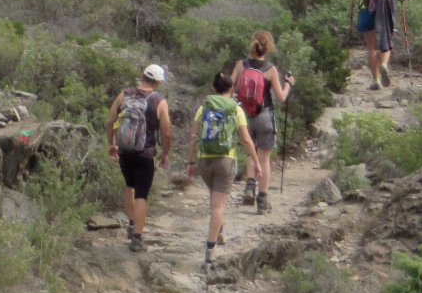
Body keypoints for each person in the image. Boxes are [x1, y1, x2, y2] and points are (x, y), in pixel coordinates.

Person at [185, 71, 260, 264]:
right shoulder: (236, 109)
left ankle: (219, 231)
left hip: (204, 159)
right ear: (231, 89)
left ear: (214, 88)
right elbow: (246, 139)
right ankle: (211, 248)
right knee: (218, 205)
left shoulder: (204, 107)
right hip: (225, 160)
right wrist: (256, 162)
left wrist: (189, 162)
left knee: (214, 198)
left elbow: (193, 137)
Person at [107, 64, 172, 253]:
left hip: (125, 150)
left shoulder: (124, 94)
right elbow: (166, 132)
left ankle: (131, 223)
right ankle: (137, 238)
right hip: (145, 153)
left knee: (129, 185)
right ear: (158, 82)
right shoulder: (159, 101)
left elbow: (110, 121)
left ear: (142, 76)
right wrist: (165, 153)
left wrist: (111, 143)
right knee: (142, 193)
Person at [229, 30, 294, 213]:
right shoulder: (270, 69)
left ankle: (250, 187)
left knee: (251, 152)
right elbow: (281, 97)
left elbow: (229, 86)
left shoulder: (241, 65)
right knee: (264, 158)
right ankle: (262, 201)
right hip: (265, 116)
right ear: (268, 47)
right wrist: (289, 84)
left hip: (244, 116)